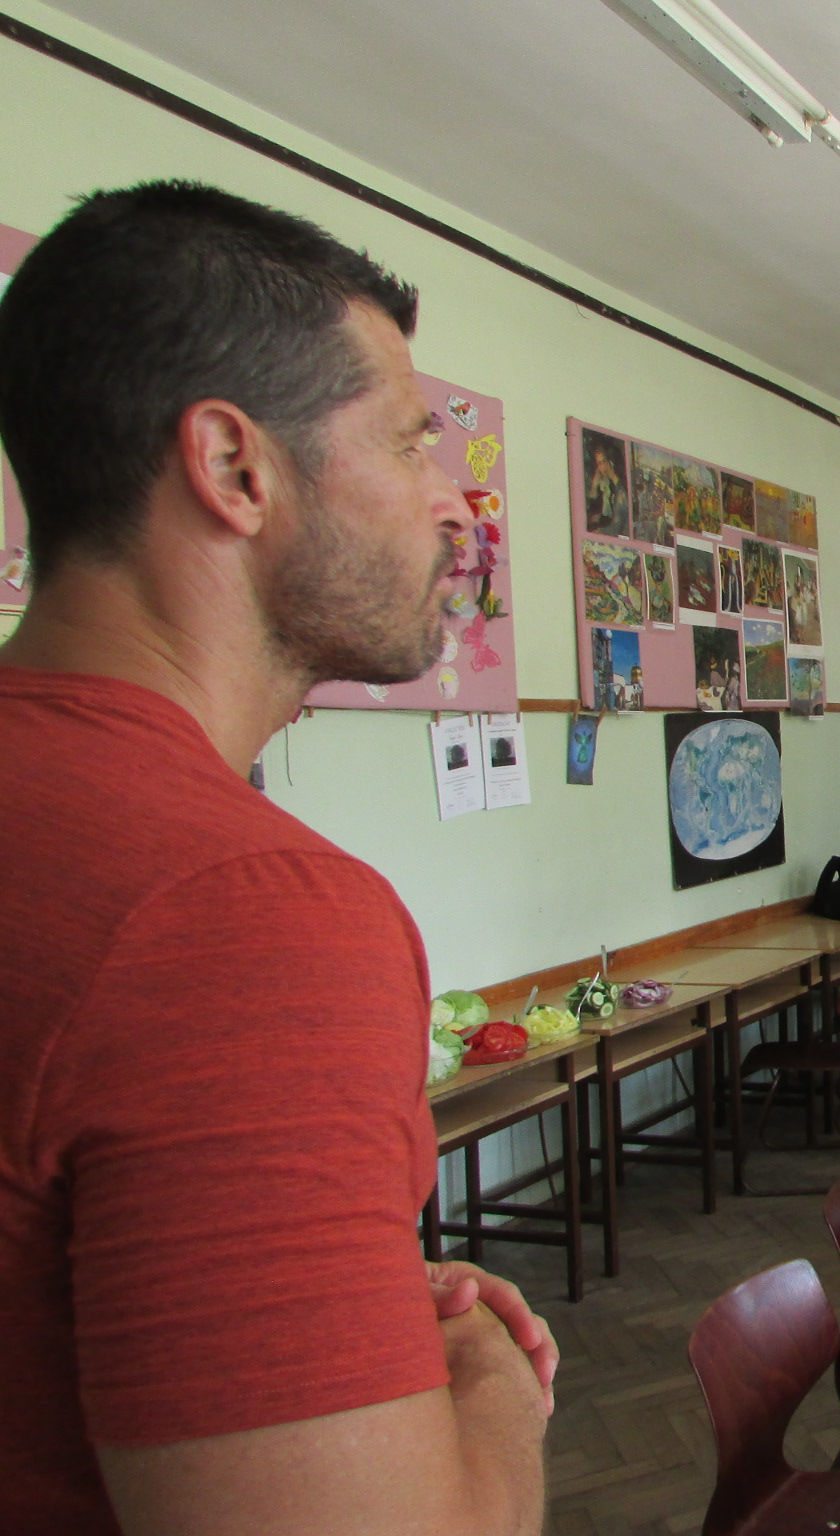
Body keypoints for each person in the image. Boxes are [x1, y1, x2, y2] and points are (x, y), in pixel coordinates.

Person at [0, 183, 553, 1533]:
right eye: (412, 441)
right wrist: (483, 1377)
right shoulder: (240, 916)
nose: (453, 504)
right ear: (235, 468)